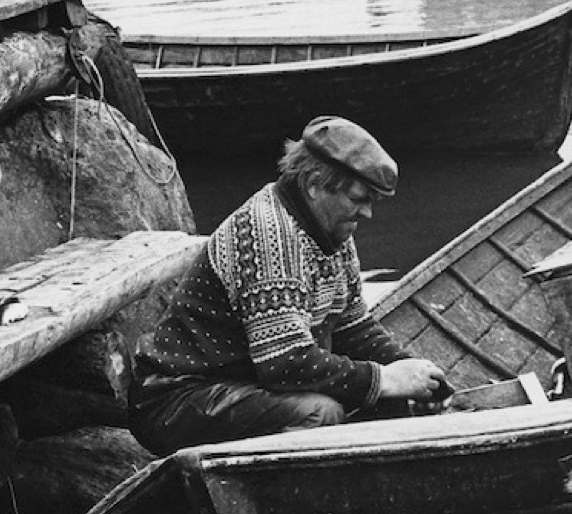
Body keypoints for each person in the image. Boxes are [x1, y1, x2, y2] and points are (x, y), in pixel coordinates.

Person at [130, 115, 446, 454]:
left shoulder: (332, 230)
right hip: (177, 400)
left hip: (247, 384)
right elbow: (285, 363)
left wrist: (413, 372)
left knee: (391, 399)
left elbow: (353, 329)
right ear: (313, 184)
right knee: (320, 413)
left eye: (372, 201)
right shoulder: (268, 235)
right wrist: (384, 379)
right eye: (358, 198)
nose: (367, 213)